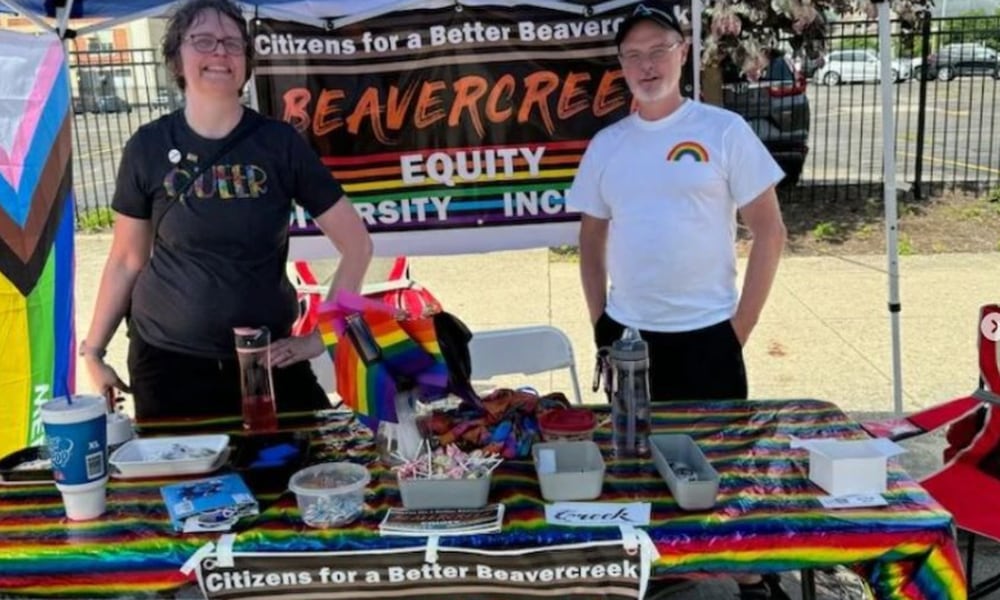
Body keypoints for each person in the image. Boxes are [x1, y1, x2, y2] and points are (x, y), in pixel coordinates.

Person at [567, 2, 788, 599]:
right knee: (637, 475)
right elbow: (591, 236)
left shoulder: (723, 131)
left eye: (658, 49)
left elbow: (770, 231)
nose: (647, 64)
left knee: (715, 479)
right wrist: (600, 322)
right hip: (631, 344)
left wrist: (739, 328)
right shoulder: (608, 144)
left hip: (711, 338)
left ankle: (731, 582)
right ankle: (659, 581)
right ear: (620, 66)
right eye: (633, 55)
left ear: (683, 52)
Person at [81, 0, 372, 421]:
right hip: (168, 366)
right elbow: (127, 260)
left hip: (266, 363)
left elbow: (358, 245)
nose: (220, 52)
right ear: (177, 59)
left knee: (303, 473)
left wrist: (320, 338)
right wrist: (93, 352)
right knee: (186, 485)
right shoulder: (147, 146)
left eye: (233, 44)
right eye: (203, 40)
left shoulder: (280, 144)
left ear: (246, 63)